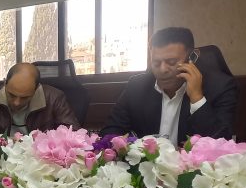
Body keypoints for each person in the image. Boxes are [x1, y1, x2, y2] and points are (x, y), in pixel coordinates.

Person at [102, 27, 238, 145]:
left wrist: (197, 98)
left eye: (171, 62)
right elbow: (111, 131)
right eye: (156, 63)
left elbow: (221, 144)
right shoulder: (137, 86)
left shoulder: (219, 87)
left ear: (192, 58)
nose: (162, 69)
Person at [0, 63, 80, 137]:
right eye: (11, 95)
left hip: (39, 163)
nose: (16, 102)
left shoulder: (54, 98)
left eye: (25, 97)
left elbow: (74, 136)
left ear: (36, 89)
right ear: (5, 83)